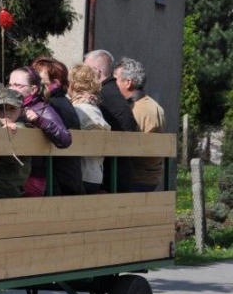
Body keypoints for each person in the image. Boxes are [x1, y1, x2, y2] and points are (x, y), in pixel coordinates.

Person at [8, 66, 71, 196]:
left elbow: (65, 139)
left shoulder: (41, 109)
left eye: (18, 85)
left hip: (31, 176)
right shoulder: (3, 106)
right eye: (10, 85)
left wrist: (40, 121)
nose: (12, 89)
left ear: (33, 89)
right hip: (7, 173)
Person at [83, 49, 138, 190]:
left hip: (110, 177)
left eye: (85, 71)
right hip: (121, 172)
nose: (82, 76)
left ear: (96, 72)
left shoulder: (101, 96)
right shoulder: (113, 93)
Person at [32, 57, 84, 195]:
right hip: (69, 177)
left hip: (58, 179)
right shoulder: (63, 102)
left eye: (37, 78)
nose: (32, 81)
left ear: (55, 82)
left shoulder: (52, 105)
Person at [114, 57, 166, 191]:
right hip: (147, 177)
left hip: (137, 178)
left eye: (116, 80)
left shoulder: (137, 109)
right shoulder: (153, 105)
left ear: (128, 82)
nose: (113, 85)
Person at [68, 63, 111, 194]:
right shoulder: (94, 108)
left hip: (83, 174)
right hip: (94, 174)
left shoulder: (81, 109)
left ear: (73, 84)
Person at [0, 88, 31, 199]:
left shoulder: (22, 127)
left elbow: (19, 130)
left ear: (21, 110)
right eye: (0, 109)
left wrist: (7, 131)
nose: (6, 114)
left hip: (8, 186)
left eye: (12, 108)